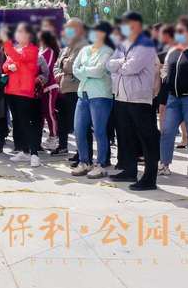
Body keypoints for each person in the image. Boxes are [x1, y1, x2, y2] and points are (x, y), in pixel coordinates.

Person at [107, 11, 161, 190]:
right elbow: (109, 64)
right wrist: (121, 62)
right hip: (121, 96)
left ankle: (149, 178)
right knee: (125, 136)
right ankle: (129, 170)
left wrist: (119, 64)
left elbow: (132, 67)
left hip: (139, 98)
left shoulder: (145, 44)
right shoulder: (122, 44)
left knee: (146, 138)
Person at [71, 22, 115, 178]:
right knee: (79, 129)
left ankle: (101, 164)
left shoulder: (108, 51)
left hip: (100, 95)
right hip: (82, 94)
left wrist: (83, 71)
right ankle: (84, 162)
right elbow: (74, 69)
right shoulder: (84, 50)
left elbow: (99, 71)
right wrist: (87, 72)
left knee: (100, 131)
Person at [2, 23, 42, 167]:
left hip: (24, 92)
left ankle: (34, 153)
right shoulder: (16, 49)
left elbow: (18, 57)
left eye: (21, 31)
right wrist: (9, 66)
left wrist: (6, 43)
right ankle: (24, 151)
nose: (17, 34)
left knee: (26, 123)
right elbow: (4, 66)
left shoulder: (32, 49)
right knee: (18, 123)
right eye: (17, 31)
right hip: (11, 91)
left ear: (29, 35)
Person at [52, 18, 88, 158]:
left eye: (70, 28)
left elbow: (72, 66)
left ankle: (81, 152)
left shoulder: (82, 45)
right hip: (63, 88)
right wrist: (59, 71)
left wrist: (64, 65)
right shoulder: (66, 46)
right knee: (62, 120)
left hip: (75, 89)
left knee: (77, 123)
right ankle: (62, 146)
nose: (67, 31)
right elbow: (57, 65)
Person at [158, 17, 188, 175]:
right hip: (173, 98)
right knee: (167, 131)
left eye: (181, 31)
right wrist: (166, 78)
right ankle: (164, 164)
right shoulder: (173, 51)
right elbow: (165, 71)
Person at [38, 30, 61, 151]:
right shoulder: (40, 50)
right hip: (41, 88)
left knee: (50, 112)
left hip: (50, 86)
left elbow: (47, 67)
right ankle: (42, 139)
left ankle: (53, 137)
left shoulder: (50, 51)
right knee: (42, 113)